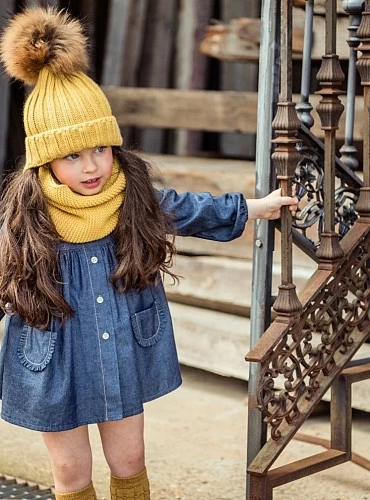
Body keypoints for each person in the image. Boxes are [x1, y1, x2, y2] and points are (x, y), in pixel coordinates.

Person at [0, 7, 298, 500]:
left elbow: (192, 209)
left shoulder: (131, 197)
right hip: (52, 362)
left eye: (100, 148)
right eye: (73, 154)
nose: (92, 165)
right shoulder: (25, 220)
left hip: (119, 351)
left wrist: (257, 207)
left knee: (130, 459)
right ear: (44, 160)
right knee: (72, 473)